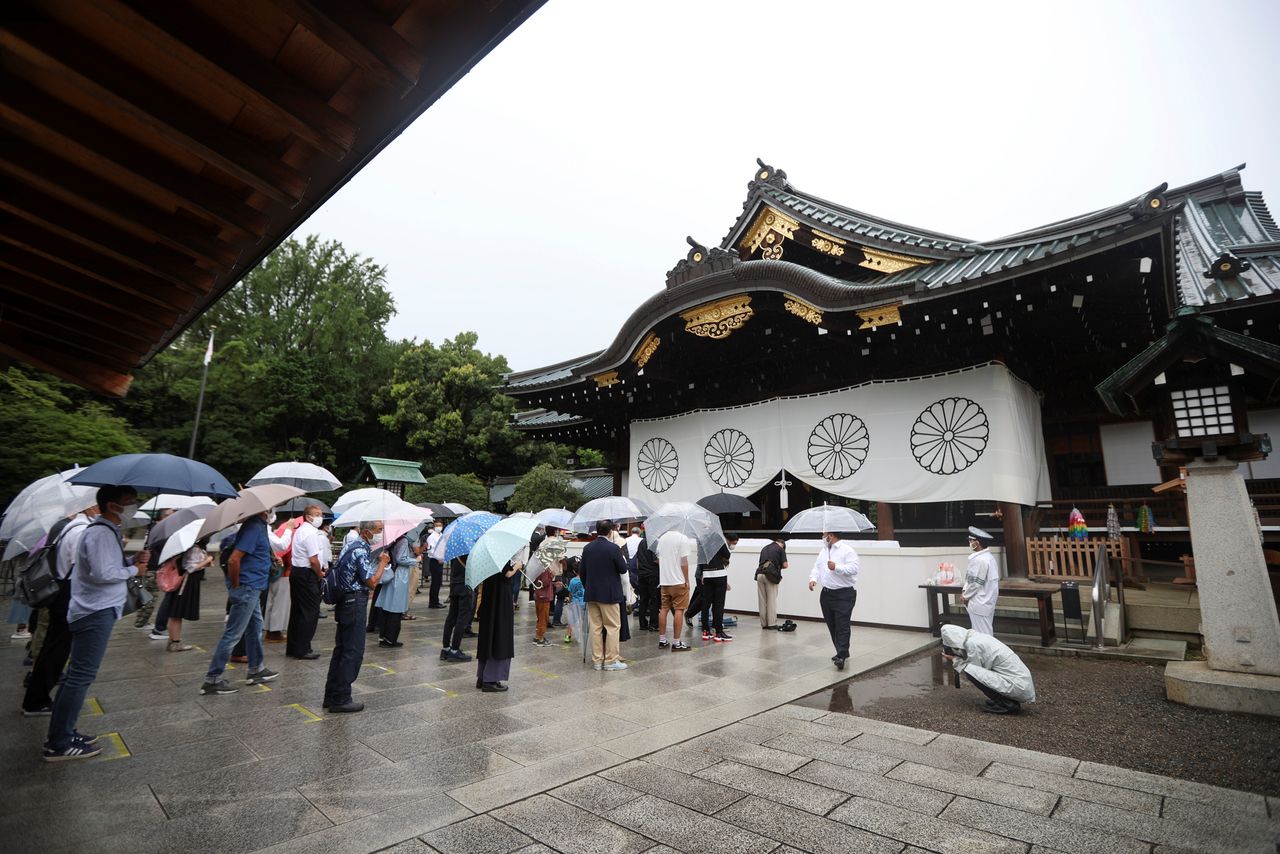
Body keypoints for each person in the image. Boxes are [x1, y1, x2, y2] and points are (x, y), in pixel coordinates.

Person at [43, 485, 149, 761]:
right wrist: (133, 569)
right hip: (94, 611)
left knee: (75, 676)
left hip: (93, 609)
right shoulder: (101, 532)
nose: (133, 507)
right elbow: (104, 573)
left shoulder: (105, 531)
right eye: (129, 502)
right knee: (80, 676)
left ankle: (63, 732)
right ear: (112, 505)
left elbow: (104, 565)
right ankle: (59, 743)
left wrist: (131, 560)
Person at [22, 506, 96, 716]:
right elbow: (83, 567)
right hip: (68, 593)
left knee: (53, 646)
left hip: (61, 589)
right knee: (57, 648)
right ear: (90, 506)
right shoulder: (81, 530)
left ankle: (36, 698)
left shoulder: (68, 526)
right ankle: (37, 701)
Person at [200, 510, 280, 696]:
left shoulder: (259, 526)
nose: (271, 512)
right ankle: (212, 679)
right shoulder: (253, 526)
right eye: (270, 509)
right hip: (247, 587)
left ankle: (256, 669)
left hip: (254, 586)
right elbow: (234, 560)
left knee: (255, 628)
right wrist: (236, 586)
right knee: (233, 634)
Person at [324, 521, 389, 713]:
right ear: (367, 532)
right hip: (354, 602)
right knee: (352, 651)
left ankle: (332, 695)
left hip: (345, 602)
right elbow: (371, 582)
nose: (381, 533)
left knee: (341, 649)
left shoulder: (350, 547)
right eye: (379, 530)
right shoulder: (360, 550)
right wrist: (383, 564)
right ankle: (341, 698)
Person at [940, 624, 1035, 714]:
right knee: (972, 670)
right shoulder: (975, 636)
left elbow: (975, 669)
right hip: (1020, 682)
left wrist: (955, 659)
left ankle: (1006, 704)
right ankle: (1002, 699)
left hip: (1017, 685)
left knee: (970, 671)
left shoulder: (972, 644)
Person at [581, 520, 628, 670]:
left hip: (592, 593)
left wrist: (587, 586)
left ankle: (597, 660)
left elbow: (582, 572)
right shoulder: (613, 548)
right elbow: (622, 569)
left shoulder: (587, 548)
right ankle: (610, 660)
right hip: (609, 594)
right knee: (613, 626)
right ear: (610, 532)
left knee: (595, 627)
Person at [808, 530, 859, 670]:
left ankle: (841, 655)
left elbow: (854, 569)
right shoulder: (823, 551)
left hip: (844, 594)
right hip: (826, 594)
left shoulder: (847, 550)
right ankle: (840, 650)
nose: (822, 537)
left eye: (824, 535)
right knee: (832, 625)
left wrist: (836, 567)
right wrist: (813, 579)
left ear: (831, 536)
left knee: (842, 625)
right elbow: (817, 567)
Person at [286, 505, 327, 660]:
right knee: (309, 612)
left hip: (297, 572)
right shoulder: (310, 533)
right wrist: (319, 575)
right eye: (317, 514)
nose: (320, 517)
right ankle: (303, 648)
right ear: (308, 516)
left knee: (297, 611)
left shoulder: (300, 530)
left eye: (321, 514)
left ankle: (293, 646)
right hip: (307, 573)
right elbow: (314, 560)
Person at [475, 560, 518, 691]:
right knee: (499, 635)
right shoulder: (500, 555)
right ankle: (490, 679)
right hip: (500, 601)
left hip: (489, 601)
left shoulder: (488, 558)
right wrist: (517, 566)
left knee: (488, 636)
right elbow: (507, 573)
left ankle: (482, 677)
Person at [166, 538, 211, 652]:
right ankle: (175, 642)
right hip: (187, 583)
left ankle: (173, 641)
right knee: (177, 613)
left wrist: (206, 562)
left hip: (189, 582)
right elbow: (190, 568)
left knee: (176, 613)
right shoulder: (194, 549)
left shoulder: (196, 548)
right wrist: (208, 560)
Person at [655, 529, 694, 652]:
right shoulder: (682, 538)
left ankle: (662, 640)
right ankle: (676, 642)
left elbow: (659, 559)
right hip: (678, 581)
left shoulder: (661, 539)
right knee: (679, 610)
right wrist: (687, 580)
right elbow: (684, 562)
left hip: (665, 581)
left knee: (664, 609)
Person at [376, 533, 414, 648]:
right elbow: (401, 559)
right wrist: (415, 560)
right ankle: (390, 639)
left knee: (387, 607)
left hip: (391, 573)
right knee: (395, 609)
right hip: (399, 576)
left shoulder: (392, 539)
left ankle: (384, 636)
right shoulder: (403, 541)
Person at [962, 526, 1001, 636]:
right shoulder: (989, 558)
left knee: (982, 634)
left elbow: (976, 583)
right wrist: (965, 591)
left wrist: (965, 595)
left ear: (977, 542)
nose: (969, 543)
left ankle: (985, 653)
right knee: (985, 630)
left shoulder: (980, 560)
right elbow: (971, 579)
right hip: (986, 601)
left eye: (971, 540)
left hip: (979, 601)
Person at [698, 534, 738, 642]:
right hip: (719, 574)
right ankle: (719, 632)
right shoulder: (718, 539)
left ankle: (706, 631)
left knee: (706, 604)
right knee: (718, 604)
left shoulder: (703, 540)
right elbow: (727, 554)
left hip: (707, 574)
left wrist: (703, 573)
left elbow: (700, 559)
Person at [440, 556, 474, 663]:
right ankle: (454, 650)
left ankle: (445, 649)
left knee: (451, 617)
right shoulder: (470, 550)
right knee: (462, 619)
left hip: (454, 584)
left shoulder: (456, 548)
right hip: (465, 585)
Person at [756, 536, 788, 630]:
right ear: (782, 545)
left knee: (762, 600)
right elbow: (785, 565)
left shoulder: (764, 548)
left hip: (759, 574)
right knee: (771, 600)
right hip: (770, 576)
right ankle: (771, 624)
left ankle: (764, 624)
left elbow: (761, 562)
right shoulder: (780, 549)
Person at [634, 535, 659, 631]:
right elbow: (655, 559)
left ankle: (642, 624)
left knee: (643, 599)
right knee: (654, 599)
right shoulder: (654, 542)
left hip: (641, 574)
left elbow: (637, 559)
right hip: (652, 574)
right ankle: (654, 624)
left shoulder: (641, 542)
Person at [531, 559, 557, 647]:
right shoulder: (544, 569)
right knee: (543, 618)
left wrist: (553, 583)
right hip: (544, 597)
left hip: (538, 595)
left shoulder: (537, 568)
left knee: (540, 617)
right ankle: (540, 639)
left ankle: (537, 637)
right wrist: (551, 576)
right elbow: (544, 583)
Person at [425, 521, 445, 608]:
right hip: (435, 560)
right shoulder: (431, 537)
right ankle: (433, 602)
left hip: (440, 560)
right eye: (437, 525)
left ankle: (436, 600)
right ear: (434, 527)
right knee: (435, 582)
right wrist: (438, 558)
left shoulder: (441, 535)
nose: (438, 527)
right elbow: (430, 550)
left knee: (438, 582)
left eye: (440, 525)